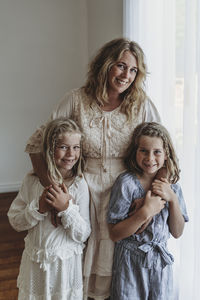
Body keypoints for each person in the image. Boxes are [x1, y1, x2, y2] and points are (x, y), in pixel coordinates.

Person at [25, 38, 161, 299]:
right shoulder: (76, 100)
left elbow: (164, 152)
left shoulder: (141, 104)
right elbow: (36, 145)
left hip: (125, 193)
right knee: (82, 253)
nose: (126, 75)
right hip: (82, 191)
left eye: (133, 70)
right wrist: (55, 191)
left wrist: (150, 199)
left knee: (118, 262)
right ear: (105, 65)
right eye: (121, 66)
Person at [7, 118, 91, 300]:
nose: (71, 154)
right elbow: (15, 221)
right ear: (49, 148)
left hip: (65, 271)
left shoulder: (79, 185)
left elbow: (83, 234)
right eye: (63, 147)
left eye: (76, 147)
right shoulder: (31, 181)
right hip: (35, 267)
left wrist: (66, 209)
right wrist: (39, 208)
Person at [107, 122, 189, 300]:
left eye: (157, 152)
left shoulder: (173, 187)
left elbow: (177, 232)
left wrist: (173, 199)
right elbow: (114, 234)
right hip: (130, 263)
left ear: (166, 154)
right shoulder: (126, 184)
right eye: (143, 150)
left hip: (160, 264)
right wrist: (144, 212)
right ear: (135, 152)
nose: (150, 158)